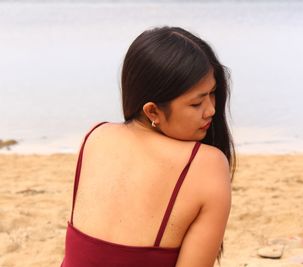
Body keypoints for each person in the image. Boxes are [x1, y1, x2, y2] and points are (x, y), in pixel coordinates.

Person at [60, 26, 236, 267]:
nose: (211, 110)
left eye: (213, 93)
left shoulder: (95, 136)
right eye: (196, 103)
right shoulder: (207, 164)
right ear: (152, 110)